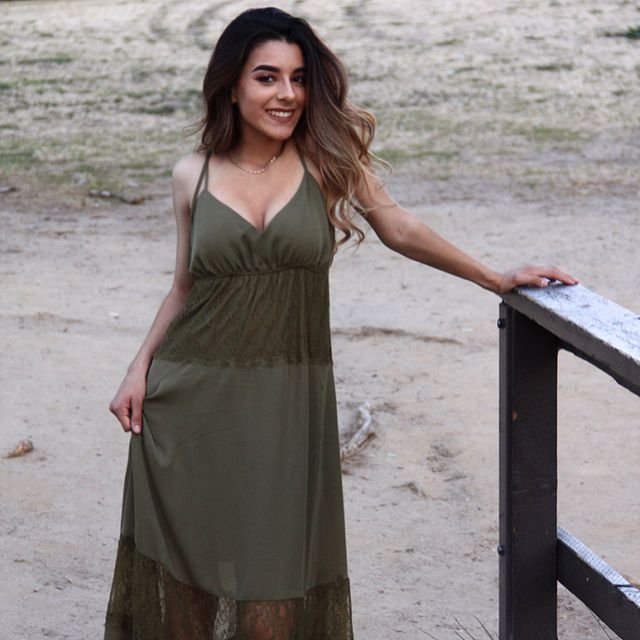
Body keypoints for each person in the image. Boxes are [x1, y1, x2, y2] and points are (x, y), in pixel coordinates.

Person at [104, 7, 576, 640]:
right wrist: (137, 370)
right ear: (231, 86)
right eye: (267, 77)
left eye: (298, 79)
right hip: (188, 402)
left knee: (274, 583)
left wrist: (492, 276)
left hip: (288, 404)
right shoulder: (192, 174)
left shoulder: (326, 160)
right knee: (185, 590)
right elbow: (185, 286)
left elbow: (398, 227)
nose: (287, 94)